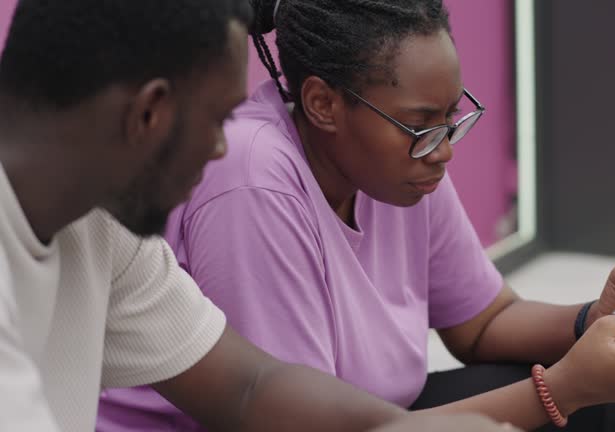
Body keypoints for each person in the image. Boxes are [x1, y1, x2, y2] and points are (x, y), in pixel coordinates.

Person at [97, 0, 615, 431]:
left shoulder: (403, 166)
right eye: (420, 125)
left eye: (450, 119)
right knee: (585, 403)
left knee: (611, 410)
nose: (442, 150)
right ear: (322, 103)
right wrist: (567, 387)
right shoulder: (252, 179)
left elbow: (483, 323)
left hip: (374, 417)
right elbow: (288, 419)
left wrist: (595, 322)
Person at [0, 1, 518, 431]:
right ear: (149, 114)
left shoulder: (106, 232)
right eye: (219, 119)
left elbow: (250, 386)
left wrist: (403, 428)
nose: (224, 147)